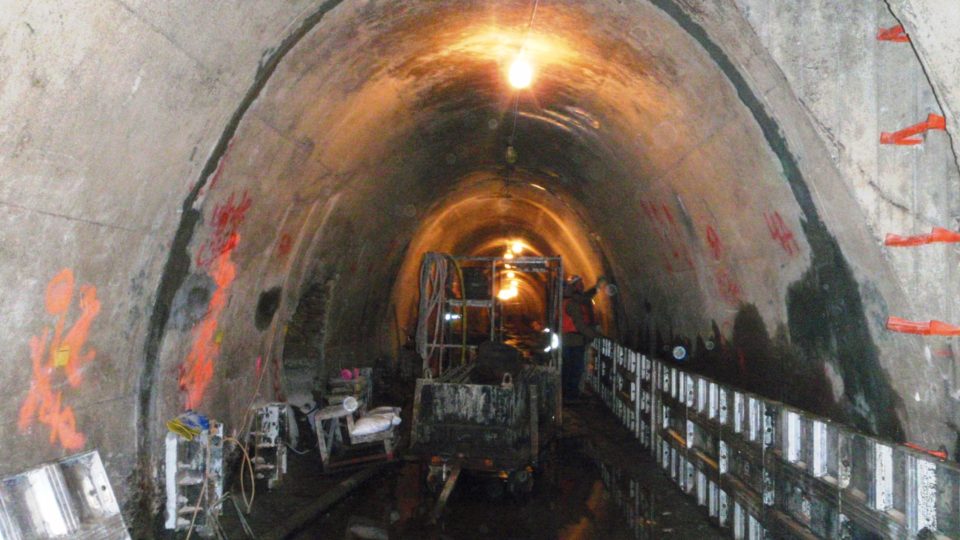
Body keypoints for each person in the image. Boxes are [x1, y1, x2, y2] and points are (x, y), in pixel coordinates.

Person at [561, 275, 605, 400]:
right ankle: (571, 396)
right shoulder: (572, 303)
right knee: (575, 369)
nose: (582, 286)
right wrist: (596, 335)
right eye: (579, 284)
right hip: (574, 342)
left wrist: (596, 288)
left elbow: (585, 298)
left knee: (568, 369)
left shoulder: (565, 301)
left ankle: (567, 395)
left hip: (566, 340)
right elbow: (580, 325)